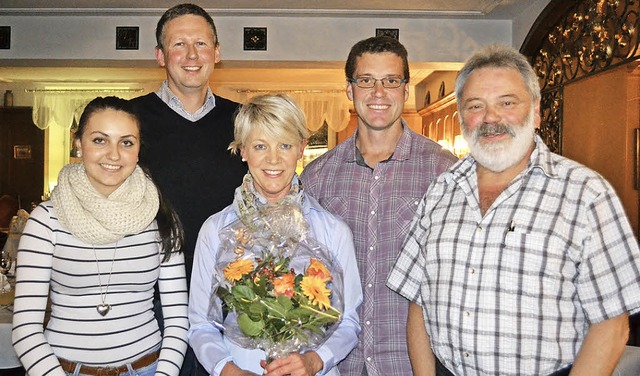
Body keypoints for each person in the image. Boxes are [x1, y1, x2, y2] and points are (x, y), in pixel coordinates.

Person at [387, 44, 640, 376]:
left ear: (536, 111)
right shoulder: (440, 191)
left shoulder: (586, 194)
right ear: (462, 117)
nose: (491, 118)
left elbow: (612, 324)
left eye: (507, 103)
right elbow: (418, 303)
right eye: (476, 106)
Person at [300, 36, 458, 375]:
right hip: (339, 365)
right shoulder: (317, 177)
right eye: (366, 81)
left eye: (390, 81)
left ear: (405, 89)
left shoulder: (442, 170)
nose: (378, 92)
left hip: (412, 364)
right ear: (349, 89)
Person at [12, 96, 189, 376]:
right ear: (78, 144)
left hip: (148, 369)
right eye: (99, 140)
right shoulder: (46, 221)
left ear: (139, 150)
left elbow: (178, 321)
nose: (114, 154)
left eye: (127, 142)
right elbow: (25, 331)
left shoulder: (162, 219)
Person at [188, 94, 362, 376]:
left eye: (285, 145)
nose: (273, 159)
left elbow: (350, 321)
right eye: (260, 146)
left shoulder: (332, 230)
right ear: (243, 150)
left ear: (301, 148)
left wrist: (315, 360)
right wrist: (227, 370)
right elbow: (199, 323)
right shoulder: (216, 230)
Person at [130, 3, 247, 283]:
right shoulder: (129, 120)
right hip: (149, 291)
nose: (192, 54)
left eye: (201, 43)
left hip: (229, 290)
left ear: (216, 53)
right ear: (161, 56)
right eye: (179, 44)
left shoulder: (244, 120)